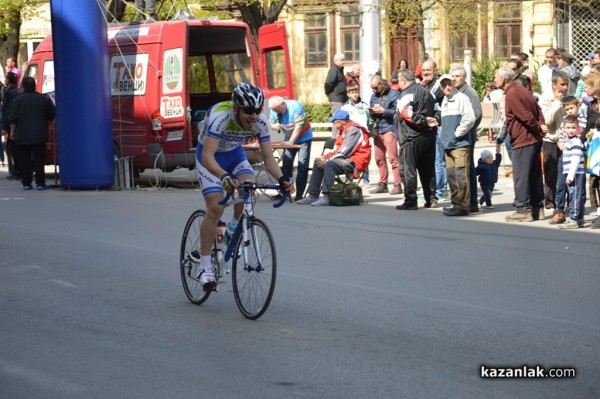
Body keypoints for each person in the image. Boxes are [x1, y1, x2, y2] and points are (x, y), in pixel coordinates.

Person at [192, 83, 294, 289]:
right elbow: (207, 156)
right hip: (210, 158)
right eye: (249, 111)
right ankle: (205, 267)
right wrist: (223, 176)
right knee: (215, 208)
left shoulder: (261, 122)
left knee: (249, 188)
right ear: (236, 108)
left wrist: (283, 179)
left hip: (234, 155)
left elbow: (268, 158)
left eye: (257, 111)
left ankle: (231, 229)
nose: (254, 116)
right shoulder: (221, 117)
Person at [494, 67, 548, 222]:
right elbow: (538, 111)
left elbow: (525, 116)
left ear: (504, 79)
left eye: (497, 77)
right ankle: (537, 208)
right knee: (534, 175)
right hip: (533, 138)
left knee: (521, 176)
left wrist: (538, 128)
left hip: (524, 139)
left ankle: (523, 209)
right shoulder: (523, 90)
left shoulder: (512, 93)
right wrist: (540, 127)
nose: (495, 80)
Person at [297, 110, 371, 206]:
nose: (333, 124)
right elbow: (337, 150)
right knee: (318, 161)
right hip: (346, 158)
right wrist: (324, 157)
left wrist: (327, 160)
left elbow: (345, 152)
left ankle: (327, 196)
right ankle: (313, 195)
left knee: (329, 164)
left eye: (333, 122)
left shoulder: (353, 130)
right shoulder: (343, 131)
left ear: (338, 122)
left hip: (356, 161)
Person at [395, 69, 440, 210]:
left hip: (411, 137)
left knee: (408, 170)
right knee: (428, 169)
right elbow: (438, 110)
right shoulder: (428, 92)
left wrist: (424, 121)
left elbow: (405, 112)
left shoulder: (406, 93)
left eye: (399, 81)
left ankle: (410, 200)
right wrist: (434, 120)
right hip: (429, 136)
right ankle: (431, 199)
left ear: (403, 81)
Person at [437, 74, 475, 216]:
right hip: (448, 144)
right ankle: (456, 203)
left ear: (454, 84)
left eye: (449, 84)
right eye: (444, 85)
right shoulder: (445, 101)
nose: (447, 87)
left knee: (461, 175)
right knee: (452, 176)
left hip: (459, 144)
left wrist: (457, 133)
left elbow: (469, 119)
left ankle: (463, 206)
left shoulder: (461, 98)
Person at [9, 76, 55, 190]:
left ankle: (27, 183)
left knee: (25, 159)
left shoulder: (18, 100)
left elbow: (13, 118)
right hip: (40, 133)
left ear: (23, 86)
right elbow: (51, 114)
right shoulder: (43, 99)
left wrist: (12, 132)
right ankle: (40, 183)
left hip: (23, 134)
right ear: (34, 85)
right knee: (39, 159)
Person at [268, 96, 313, 200]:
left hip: (303, 138)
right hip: (288, 137)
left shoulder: (295, 106)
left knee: (302, 166)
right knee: (287, 164)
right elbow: (272, 124)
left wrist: (291, 142)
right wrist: (276, 126)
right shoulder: (274, 110)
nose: (276, 111)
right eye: (274, 110)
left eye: (278, 109)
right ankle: (284, 191)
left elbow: (298, 126)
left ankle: (299, 194)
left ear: (283, 104)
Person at [451, 65, 483, 214]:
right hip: (457, 138)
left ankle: (472, 203)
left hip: (466, 137)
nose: (454, 79)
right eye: (453, 76)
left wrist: (462, 130)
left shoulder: (469, 93)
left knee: (467, 170)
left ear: (464, 77)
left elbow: (476, 115)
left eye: (457, 76)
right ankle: (462, 202)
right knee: (460, 170)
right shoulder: (455, 93)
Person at [550, 96, 586, 225]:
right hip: (565, 157)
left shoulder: (582, 121)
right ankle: (560, 211)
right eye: (567, 109)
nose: (569, 111)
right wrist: (560, 144)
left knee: (577, 188)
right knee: (561, 185)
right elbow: (561, 137)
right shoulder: (564, 122)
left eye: (572, 108)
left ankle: (577, 214)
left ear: (578, 106)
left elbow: (585, 138)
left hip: (576, 155)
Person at [539, 71, 569, 213]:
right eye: (562, 84)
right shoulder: (545, 98)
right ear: (553, 85)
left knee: (567, 172)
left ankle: (567, 202)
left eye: (566, 84)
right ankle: (550, 203)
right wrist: (557, 103)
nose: (565, 87)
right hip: (550, 139)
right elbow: (547, 120)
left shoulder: (567, 98)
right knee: (551, 172)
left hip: (565, 140)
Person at [368, 75, 402, 195]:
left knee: (393, 158)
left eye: (375, 87)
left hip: (389, 128)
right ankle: (383, 183)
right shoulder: (373, 96)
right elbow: (371, 112)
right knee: (379, 158)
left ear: (382, 83)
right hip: (378, 130)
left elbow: (398, 112)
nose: (374, 90)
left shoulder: (394, 94)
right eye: (372, 88)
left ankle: (397, 183)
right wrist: (371, 112)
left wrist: (384, 111)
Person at [420, 59, 446, 201]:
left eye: (428, 70)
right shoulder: (426, 84)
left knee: (438, 160)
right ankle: (439, 188)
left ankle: (439, 190)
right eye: (424, 70)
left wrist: (422, 88)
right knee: (435, 160)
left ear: (435, 70)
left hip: (439, 126)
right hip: (428, 127)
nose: (425, 73)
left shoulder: (439, 86)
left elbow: (429, 101)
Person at [558, 115, 587, 229]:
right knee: (575, 195)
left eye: (573, 128)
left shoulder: (576, 142)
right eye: (568, 128)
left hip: (575, 174)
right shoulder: (568, 142)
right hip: (572, 173)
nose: (571, 130)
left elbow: (575, 160)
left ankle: (574, 219)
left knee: (574, 196)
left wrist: (570, 175)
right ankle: (579, 218)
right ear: (564, 129)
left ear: (578, 128)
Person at [341, 82, 372, 185]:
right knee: (350, 156)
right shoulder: (345, 107)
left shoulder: (365, 106)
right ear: (348, 94)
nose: (355, 94)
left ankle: (365, 178)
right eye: (352, 92)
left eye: (356, 92)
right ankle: (350, 177)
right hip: (351, 135)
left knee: (364, 156)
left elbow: (370, 120)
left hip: (363, 134)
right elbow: (343, 122)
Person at [1, 72, 20, 179]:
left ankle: (14, 171)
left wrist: (4, 127)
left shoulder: (10, 93)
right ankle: (16, 170)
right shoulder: (17, 91)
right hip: (17, 125)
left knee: (11, 149)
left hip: (11, 125)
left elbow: (7, 111)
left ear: (8, 80)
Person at [324, 53, 347, 138]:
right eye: (341, 60)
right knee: (337, 119)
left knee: (341, 119)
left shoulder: (339, 70)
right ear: (336, 60)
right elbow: (328, 83)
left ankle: (339, 137)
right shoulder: (334, 70)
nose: (343, 62)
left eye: (343, 60)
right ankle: (334, 138)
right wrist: (329, 93)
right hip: (337, 99)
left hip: (341, 98)